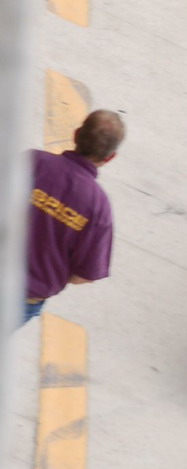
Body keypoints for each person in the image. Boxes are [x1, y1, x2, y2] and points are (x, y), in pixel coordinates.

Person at [22, 110, 125, 326]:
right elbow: (85, 275)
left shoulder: (31, 161)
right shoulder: (99, 208)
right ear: (110, 157)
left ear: (76, 134)